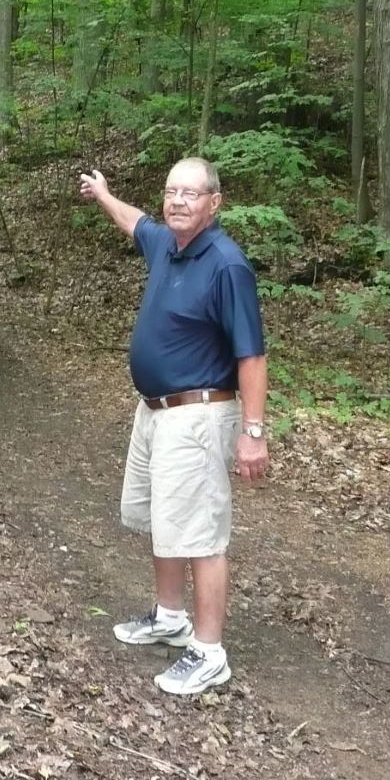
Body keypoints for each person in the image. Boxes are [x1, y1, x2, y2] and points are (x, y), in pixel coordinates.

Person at [79, 156, 268, 695]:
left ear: (215, 202)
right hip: (156, 412)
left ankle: (209, 652)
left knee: (201, 534)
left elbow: (252, 356)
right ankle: (169, 617)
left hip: (199, 416)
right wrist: (105, 193)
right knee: (165, 519)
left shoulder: (226, 265)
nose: (178, 201)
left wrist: (252, 432)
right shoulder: (167, 244)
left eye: (190, 193)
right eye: (171, 192)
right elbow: (134, 221)